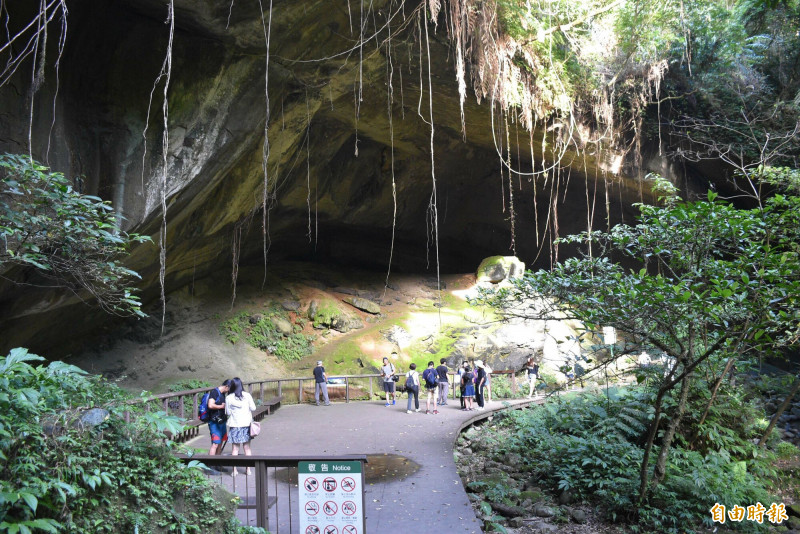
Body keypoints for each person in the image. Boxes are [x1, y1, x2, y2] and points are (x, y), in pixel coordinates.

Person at [225, 377, 257, 476]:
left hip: (235, 425)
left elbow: (228, 412)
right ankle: (248, 470)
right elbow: (253, 408)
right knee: (247, 448)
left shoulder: (229, 397)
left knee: (235, 449)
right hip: (246, 424)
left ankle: (234, 470)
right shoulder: (247, 395)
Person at [207, 379, 231, 455]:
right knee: (215, 443)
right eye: (229, 389)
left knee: (220, 443)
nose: (229, 391)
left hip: (222, 421)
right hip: (214, 422)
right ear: (226, 386)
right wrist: (221, 406)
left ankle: (217, 463)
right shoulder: (214, 392)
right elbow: (210, 405)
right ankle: (211, 464)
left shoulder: (222, 393)